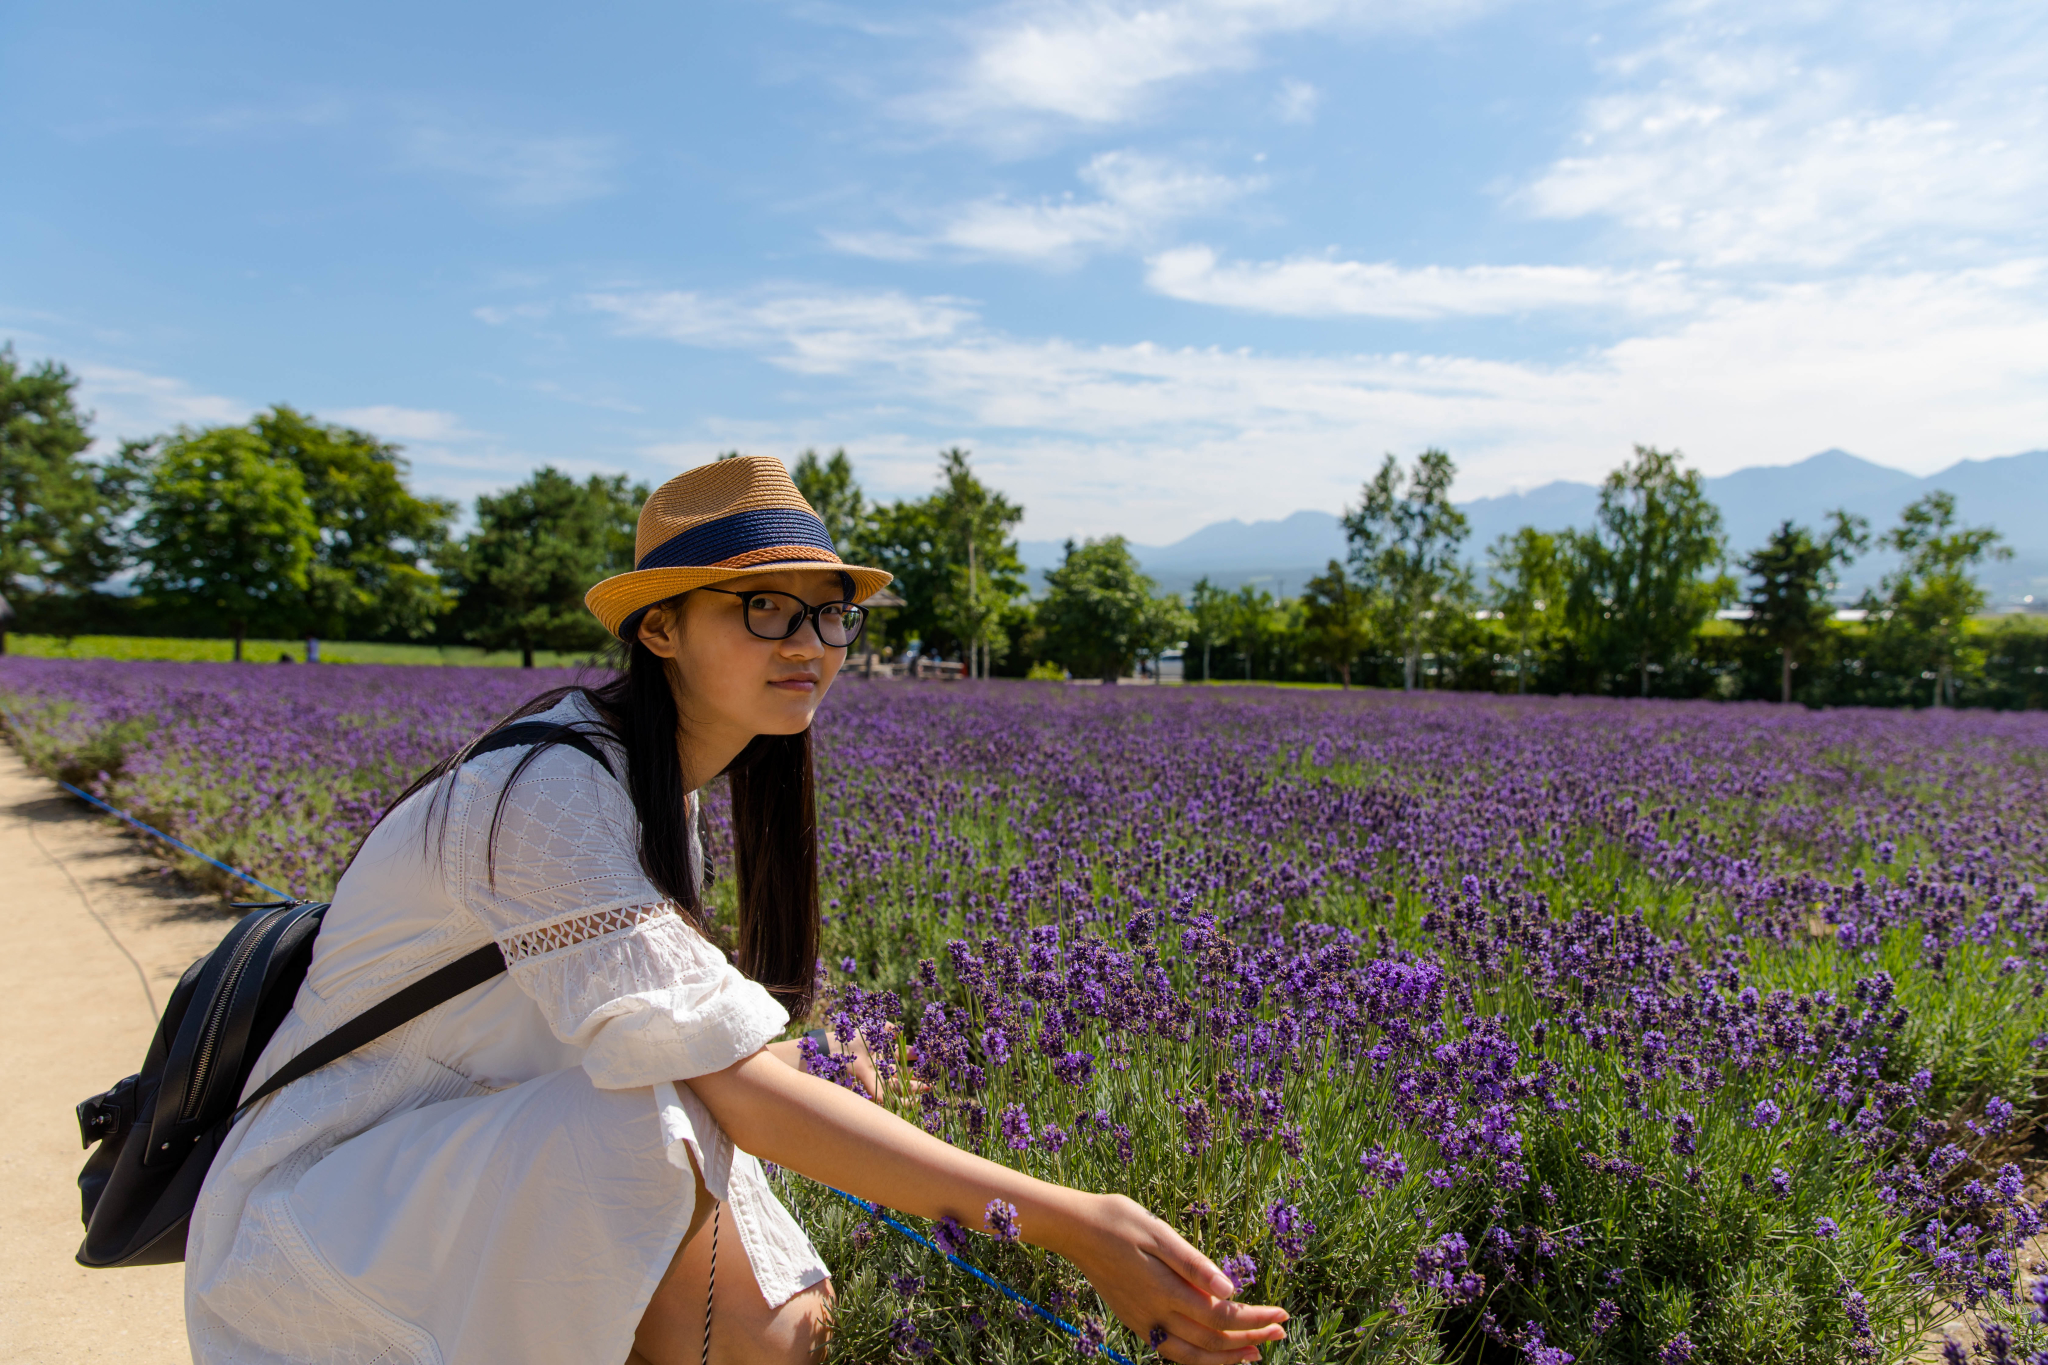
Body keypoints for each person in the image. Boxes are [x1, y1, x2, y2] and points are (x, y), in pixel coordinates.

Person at [187, 457, 1287, 1365]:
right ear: (658, 630)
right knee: (676, 1171)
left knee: (787, 1328)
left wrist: (807, 1067)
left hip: (465, 1168)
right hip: (321, 1219)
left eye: (826, 615)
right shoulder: (549, 793)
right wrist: (1065, 1223)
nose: (806, 644)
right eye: (762, 608)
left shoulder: (657, 795)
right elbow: (711, 1081)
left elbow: (683, 1051)